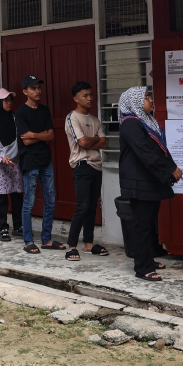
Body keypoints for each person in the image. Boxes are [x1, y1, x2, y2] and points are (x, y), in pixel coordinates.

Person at [118, 87, 181, 280]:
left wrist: (171, 167)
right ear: (135, 101)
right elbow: (146, 153)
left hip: (149, 180)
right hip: (139, 182)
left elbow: (159, 148)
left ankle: (148, 259)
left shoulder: (146, 122)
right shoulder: (130, 123)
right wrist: (170, 169)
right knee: (142, 224)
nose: (151, 100)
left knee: (149, 222)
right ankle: (143, 268)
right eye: (146, 97)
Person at [15, 75, 63, 254]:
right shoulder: (20, 112)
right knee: (29, 202)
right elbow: (25, 142)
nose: (38, 91)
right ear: (25, 91)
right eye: (33, 88)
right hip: (30, 161)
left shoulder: (44, 110)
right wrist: (40, 134)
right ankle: (28, 241)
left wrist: (33, 134)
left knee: (50, 200)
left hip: (45, 159)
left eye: (38, 87)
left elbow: (51, 135)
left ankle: (46, 239)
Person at [63, 82, 109, 261]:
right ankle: (71, 246)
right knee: (82, 206)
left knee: (92, 206)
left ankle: (88, 244)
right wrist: (95, 139)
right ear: (76, 98)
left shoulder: (95, 119)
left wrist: (92, 140)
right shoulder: (72, 118)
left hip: (97, 166)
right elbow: (81, 143)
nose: (90, 98)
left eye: (90, 95)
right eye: (85, 95)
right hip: (82, 165)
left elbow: (104, 143)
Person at [0, 89, 24, 242]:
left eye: (10, 100)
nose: (9, 103)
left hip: (15, 161)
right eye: (5, 100)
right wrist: (0, 157)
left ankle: (18, 226)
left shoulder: (14, 118)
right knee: (1, 197)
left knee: (16, 195)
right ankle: (3, 227)